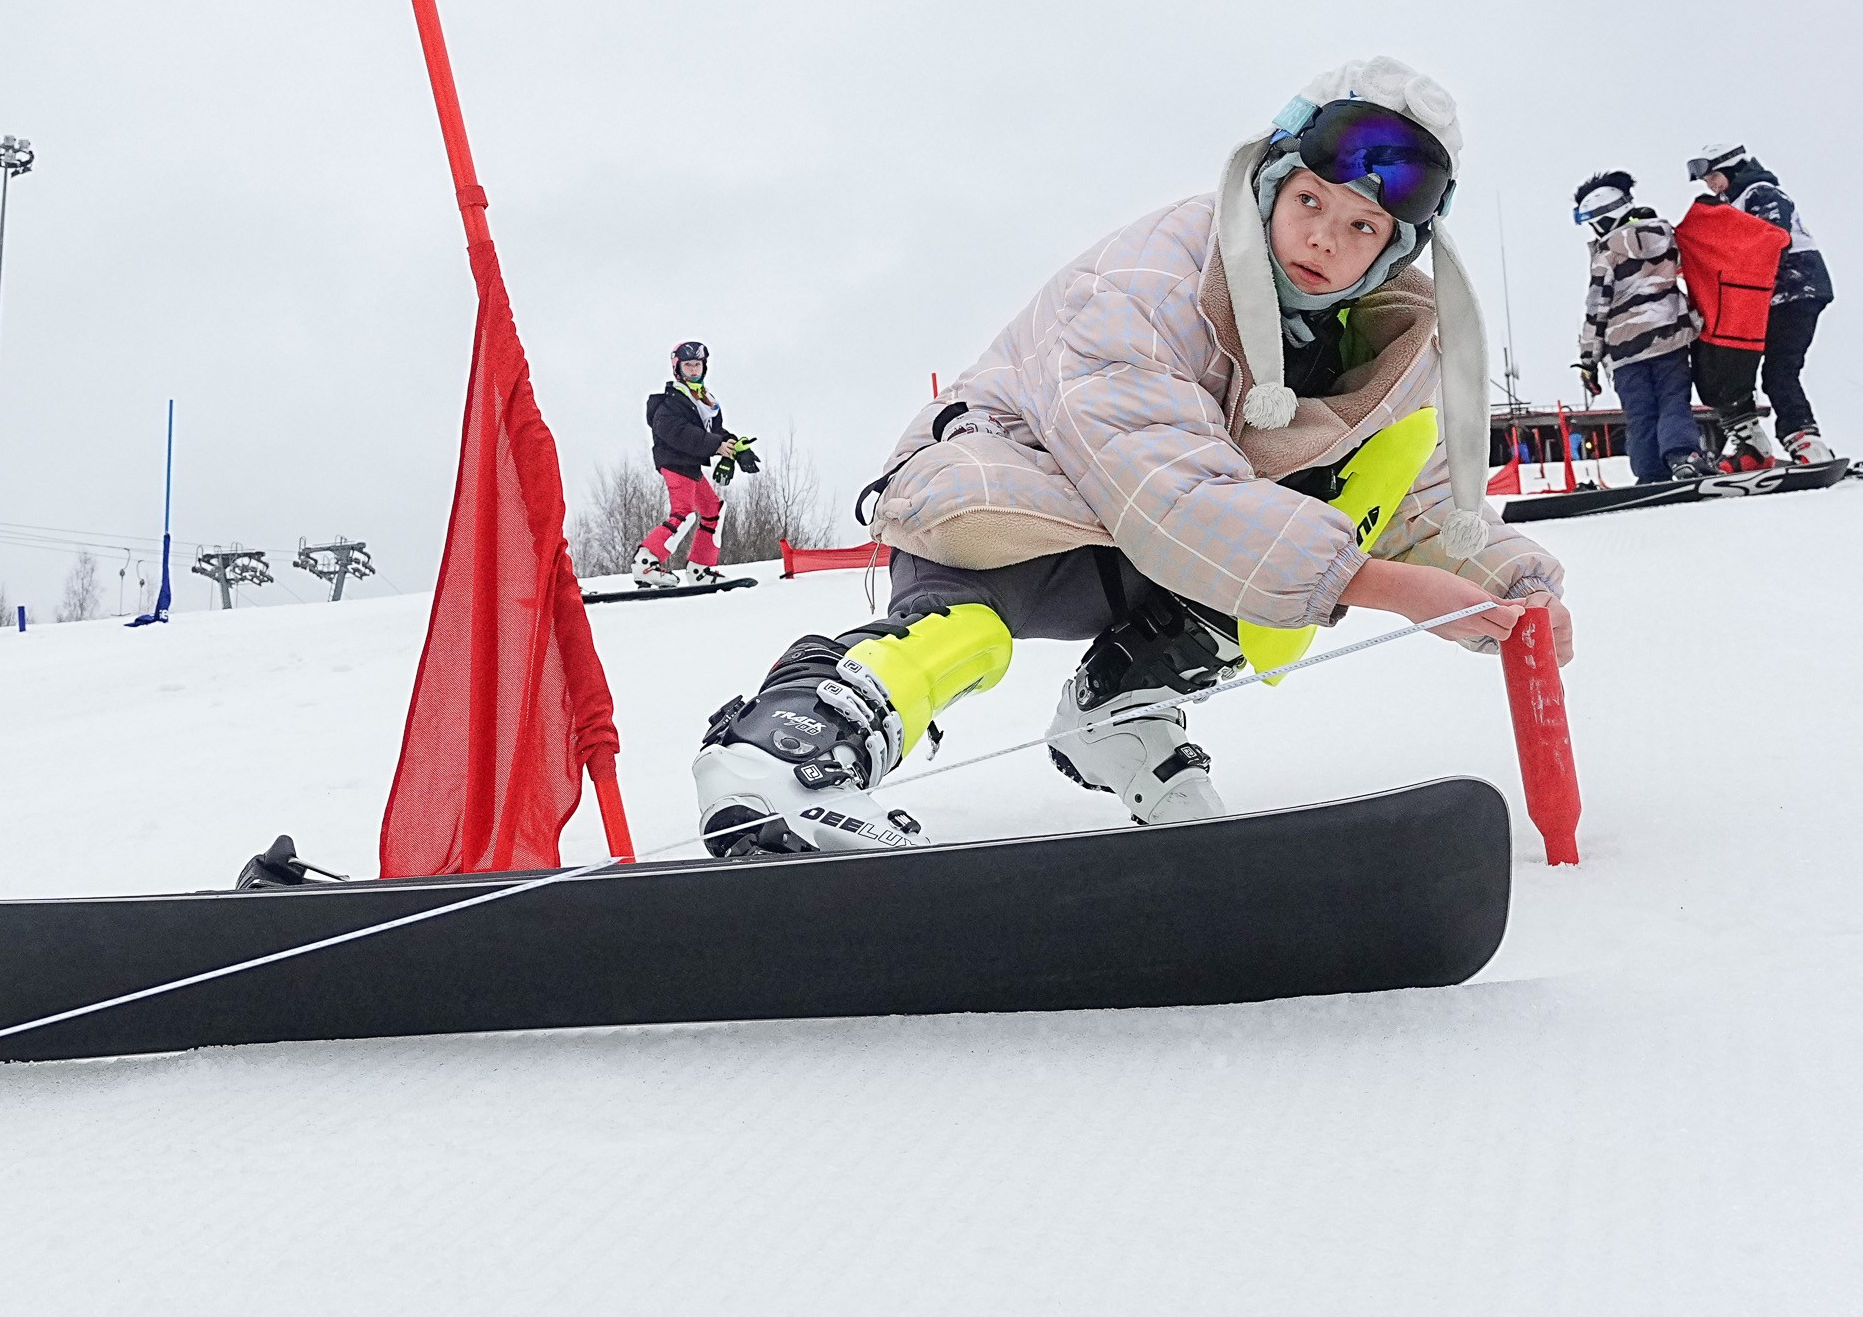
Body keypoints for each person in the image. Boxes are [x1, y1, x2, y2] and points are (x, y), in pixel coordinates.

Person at [690, 58, 1573, 856]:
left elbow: (1416, 508)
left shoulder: (1364, 342)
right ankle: (785, 750)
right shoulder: (1152, 280)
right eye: (1310, 202)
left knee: (1381, 453)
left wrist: (1512, 584)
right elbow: (1166, 489)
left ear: (1394, 249)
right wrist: (1375, 586)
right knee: (975, 626)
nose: (1325, 240)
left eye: (1362, 226)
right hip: (1015, 502)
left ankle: (1121, 707)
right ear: (1268, 186)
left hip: (1155, 545)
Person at [1690, 144, 1835, 465]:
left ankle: (1807, 442)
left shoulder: (1761, 192)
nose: (1710, 185)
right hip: (1761, 299)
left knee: (1779, 371)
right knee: (1730, 369)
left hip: (1795, 292)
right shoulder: (1734, 203)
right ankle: (1749, 445)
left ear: (1732, 169)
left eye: (1714, 177)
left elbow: (1770, 237)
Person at [1572, 171, 1711, 481]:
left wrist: (1588, 362)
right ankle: (1684, 456)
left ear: (1603, 217)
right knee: (1673, 400)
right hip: (1669, 339)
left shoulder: (1606, 254)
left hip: (1625, 352)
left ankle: (1650, 473)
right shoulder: (1667, 238)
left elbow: (1597, 309)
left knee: (1641, 414)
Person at [633, 341, 754, 587]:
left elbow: (714, 431)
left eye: (697, 364)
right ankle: (646, 563)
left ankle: (700, 569)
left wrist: (736, 447)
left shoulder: (705, 400)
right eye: (688, 365)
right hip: (675, 462)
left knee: (713, 511)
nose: (693, 370)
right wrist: (715, 446)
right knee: (684, 512)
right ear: (677, 368)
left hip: (691, 466)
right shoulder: (671, 401)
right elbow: (679, 432)